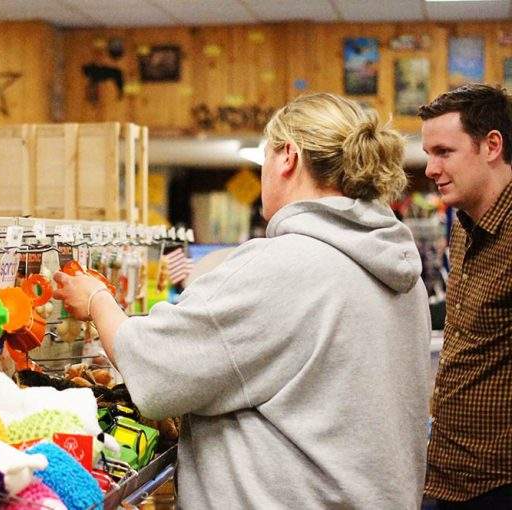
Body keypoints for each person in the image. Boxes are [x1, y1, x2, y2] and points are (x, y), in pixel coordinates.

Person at [54, 93, 431, 509]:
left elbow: (158, 369)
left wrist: (96, 299)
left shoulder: (284, 264)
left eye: (265, 156)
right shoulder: (399, 269)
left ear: (288, 156)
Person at [419, 84, 512, 509]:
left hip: (498, 482)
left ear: (492, 145)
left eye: (443, 151)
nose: (429, 168)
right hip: (449, 473)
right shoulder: (465, 220)